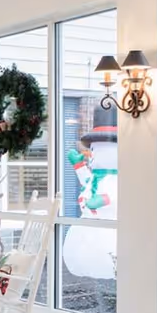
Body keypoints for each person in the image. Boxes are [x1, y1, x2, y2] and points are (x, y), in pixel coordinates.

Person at [62, 105, 118, 280]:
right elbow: (86, 181)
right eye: (92, 150)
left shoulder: (116, 179)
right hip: (85, 224)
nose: (91, 155)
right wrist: (78, 166)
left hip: (106, 228)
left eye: (96, 151)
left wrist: (103, 199)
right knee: (81, 255)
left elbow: (119, 196)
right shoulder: (94, 176)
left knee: (103, 257)